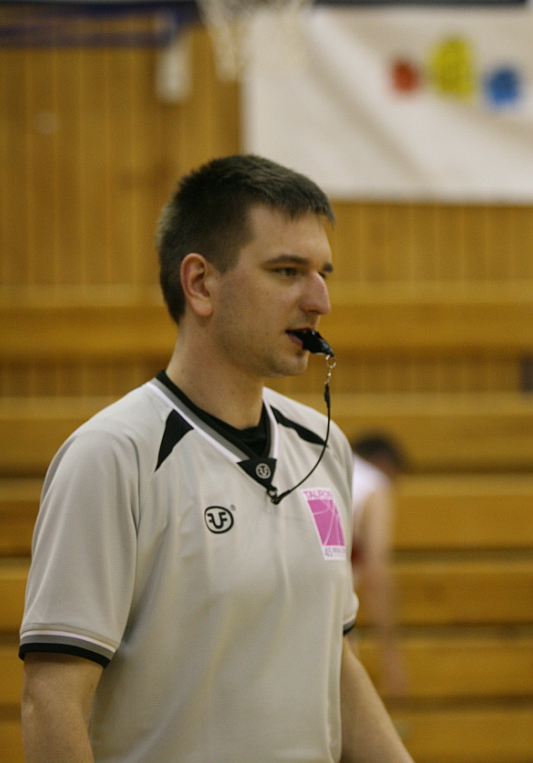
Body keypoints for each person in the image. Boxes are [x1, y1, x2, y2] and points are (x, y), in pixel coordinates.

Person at [19, 154, 415, 763]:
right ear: (201, 284)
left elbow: (333, 660)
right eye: (288, 271)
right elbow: (52, 702)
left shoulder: (325, 448)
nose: (320, 301)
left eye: (323, 273)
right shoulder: (111, 457)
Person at [351, 434, 407, 698]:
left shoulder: (320, 468)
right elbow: (377, 571)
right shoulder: (373, 484)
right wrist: (390, 655)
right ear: (384, 464)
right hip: (321, 615)